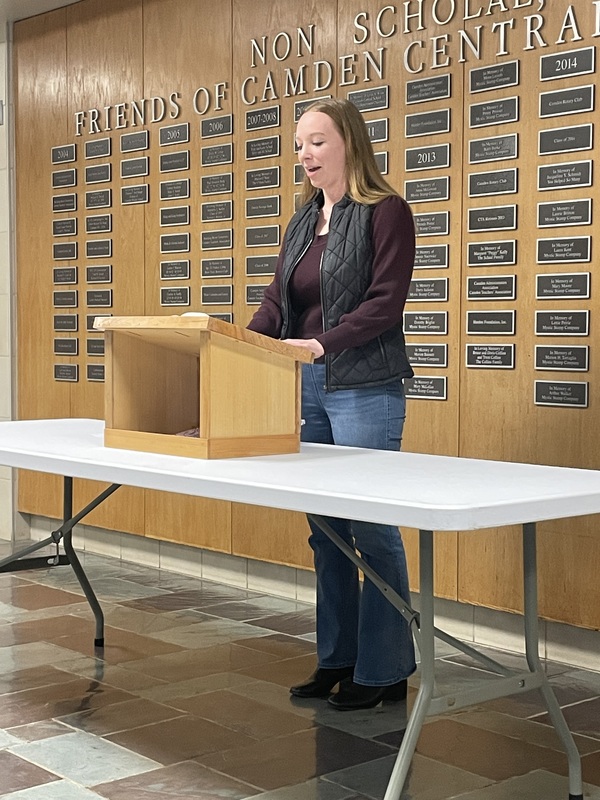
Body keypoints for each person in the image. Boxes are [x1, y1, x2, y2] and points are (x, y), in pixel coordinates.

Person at [247, 97, 417, 711]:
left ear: (349, 143)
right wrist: (238, 343)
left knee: (372, 528)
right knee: (326, 531)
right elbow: (276, 304)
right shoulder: (302, 222)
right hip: (309, 387)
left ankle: (385, 668)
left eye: (317, 142)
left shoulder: (385, 211)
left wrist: (322, 343)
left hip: (364, 386)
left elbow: (384, 303)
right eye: (299, 145)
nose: (305, 155)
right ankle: (337, 658)